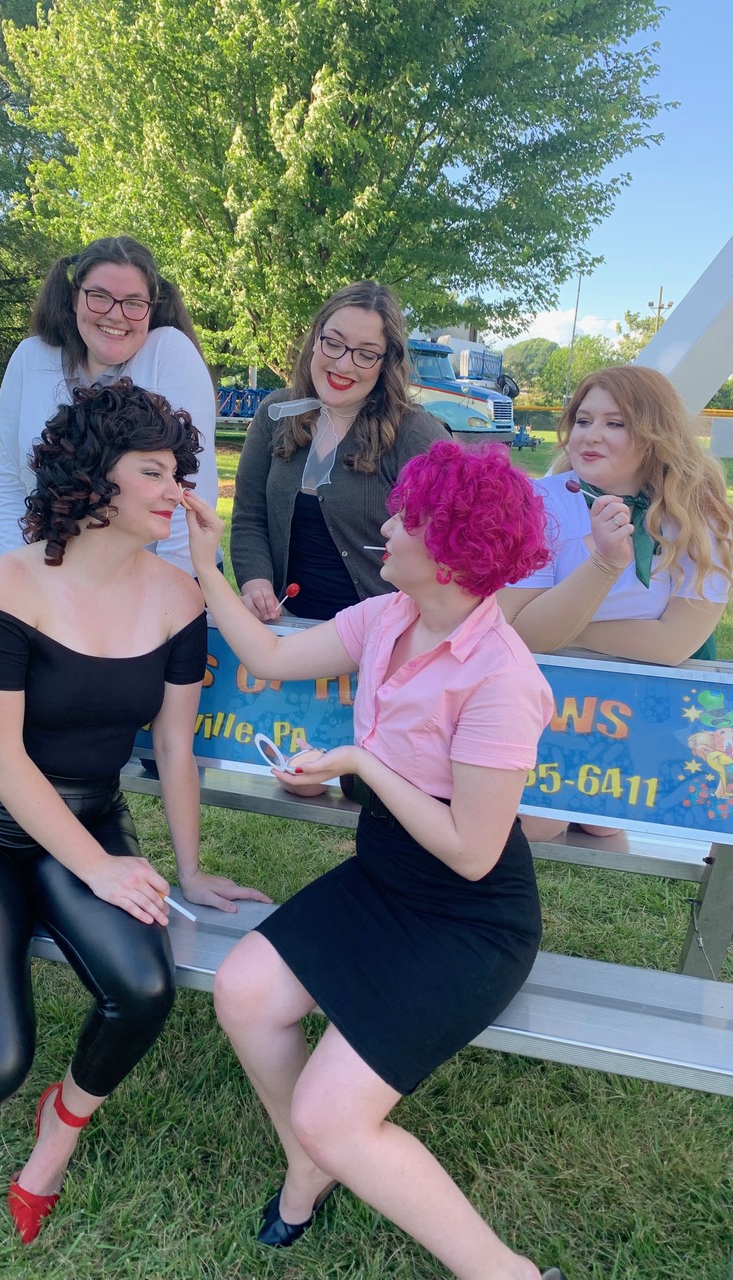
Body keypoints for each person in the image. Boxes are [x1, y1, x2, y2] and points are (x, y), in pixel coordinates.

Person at [0, 380, 268, 1245]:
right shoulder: (11, 585)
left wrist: (187, 871)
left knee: (144, 988)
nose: (178, 490)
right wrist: (100, 866)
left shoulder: (181, 599)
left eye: (179, 472)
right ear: (94, 475)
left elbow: (177, 747)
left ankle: (62, 1127)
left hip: (84, 820)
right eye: (154, 471)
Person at [184, 440, 566, 1280]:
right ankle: (309, 1162)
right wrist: (206, 563)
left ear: (453, 547)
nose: (386, 525)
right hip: (385, 876)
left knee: (335, 1111)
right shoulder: (389, 615)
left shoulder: (501, 679)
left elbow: (472, 853)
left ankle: (508, 1273)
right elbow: (274, 655)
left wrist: (359, 765)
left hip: (467, 919)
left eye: (408, 516)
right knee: (245, 993)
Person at [499, 364, 733, 840]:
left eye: (615, 423)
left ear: (655, 433)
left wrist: (563, 625)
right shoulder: (541, 502)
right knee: (539, 821)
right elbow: (519, 631)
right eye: (583, 420)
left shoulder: (699, 516)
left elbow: (674, 643)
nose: (591, 435)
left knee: (609, 822)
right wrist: (598, 569)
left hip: (639, 704)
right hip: (544, 694)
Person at [0, 235, 220, 577]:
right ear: (74, 297)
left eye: (133, 302)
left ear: (151, 308)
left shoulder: (169, 352)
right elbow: (10, 484)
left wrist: (166, 595)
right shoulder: (30, 357)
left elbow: (190, 493)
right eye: (99, 297)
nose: (116, 315)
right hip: (55, 576)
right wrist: (18, 579)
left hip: (160, 579)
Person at [230, 280, 449, 621]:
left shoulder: (414, 432)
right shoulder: (274, 414)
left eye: (364, 354)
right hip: (286, 632)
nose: (343, 365)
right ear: (316, 339)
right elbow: (249, 517)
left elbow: (463, 530)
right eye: (333, 343)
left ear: (385, 361)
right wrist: (255, 581)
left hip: (379, 637)